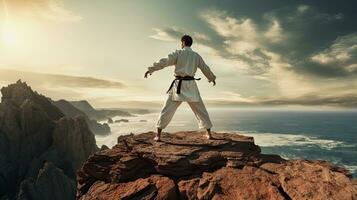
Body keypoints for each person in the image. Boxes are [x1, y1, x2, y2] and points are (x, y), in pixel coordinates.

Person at [144, 35, 216, 142]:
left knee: (167, 110)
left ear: (183, 42)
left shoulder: (178, 53)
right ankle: (209, 134)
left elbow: (164, 61)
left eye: (181, 42)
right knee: (201, 110)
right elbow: (205, 68)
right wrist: (211, 78)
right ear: (190, 43)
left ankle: (158, 136)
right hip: (191, 86)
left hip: (179, 86)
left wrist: (151, 70)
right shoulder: (196, 56)